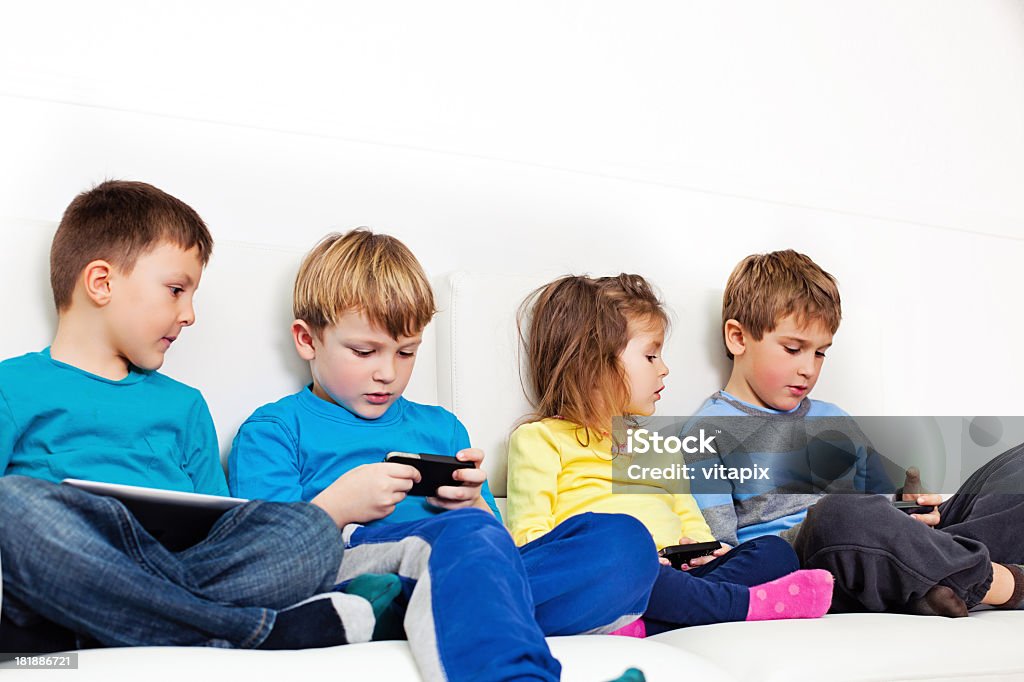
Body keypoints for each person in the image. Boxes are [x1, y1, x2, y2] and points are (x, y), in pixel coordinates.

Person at [228, 229, 655, 682]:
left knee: (624, 541)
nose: (387, 372)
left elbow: (502, 551)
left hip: (462, 563)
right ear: (307, 340)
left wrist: (472, 505)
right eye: (363, 351)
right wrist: (338, 506)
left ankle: (402, 616)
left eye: (406, 351)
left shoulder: (442, 428)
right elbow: (262, 561)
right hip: (355, 566)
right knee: (460, 539)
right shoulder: (274, 430)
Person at [0, 180, 398, 653]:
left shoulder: (184, 404)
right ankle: (250, 630)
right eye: (175, 290)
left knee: (310, 531)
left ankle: (122, 624)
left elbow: (225, 526)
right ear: (101, 283)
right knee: (11, 506)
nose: (189, 314)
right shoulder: (13, 386)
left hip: (182, 566)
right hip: (70, 567)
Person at [685, 249, 1024, 616]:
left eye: (820, 354)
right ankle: (1003, 583)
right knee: (837, 515)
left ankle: (938, 580)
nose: (808, 369)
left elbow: (887, 502)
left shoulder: (836, 419)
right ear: (737, 338)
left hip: (902, 545)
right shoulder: (708, 433)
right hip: (817, 560)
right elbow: (723, 550)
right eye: (793, 349)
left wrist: (915, 502)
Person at [506, 273, 833, 637]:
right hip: (612, 574)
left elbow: (694, 525)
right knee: (626, 544)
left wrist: (704, 551)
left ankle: (647, 623)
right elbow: (531, 541)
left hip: (678, 576)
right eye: (650, 355)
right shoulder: (540, 439)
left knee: (775, 552)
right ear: (591, 362)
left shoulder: (661, 448)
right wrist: (638, 561)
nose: (663, 368)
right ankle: (740, 606)